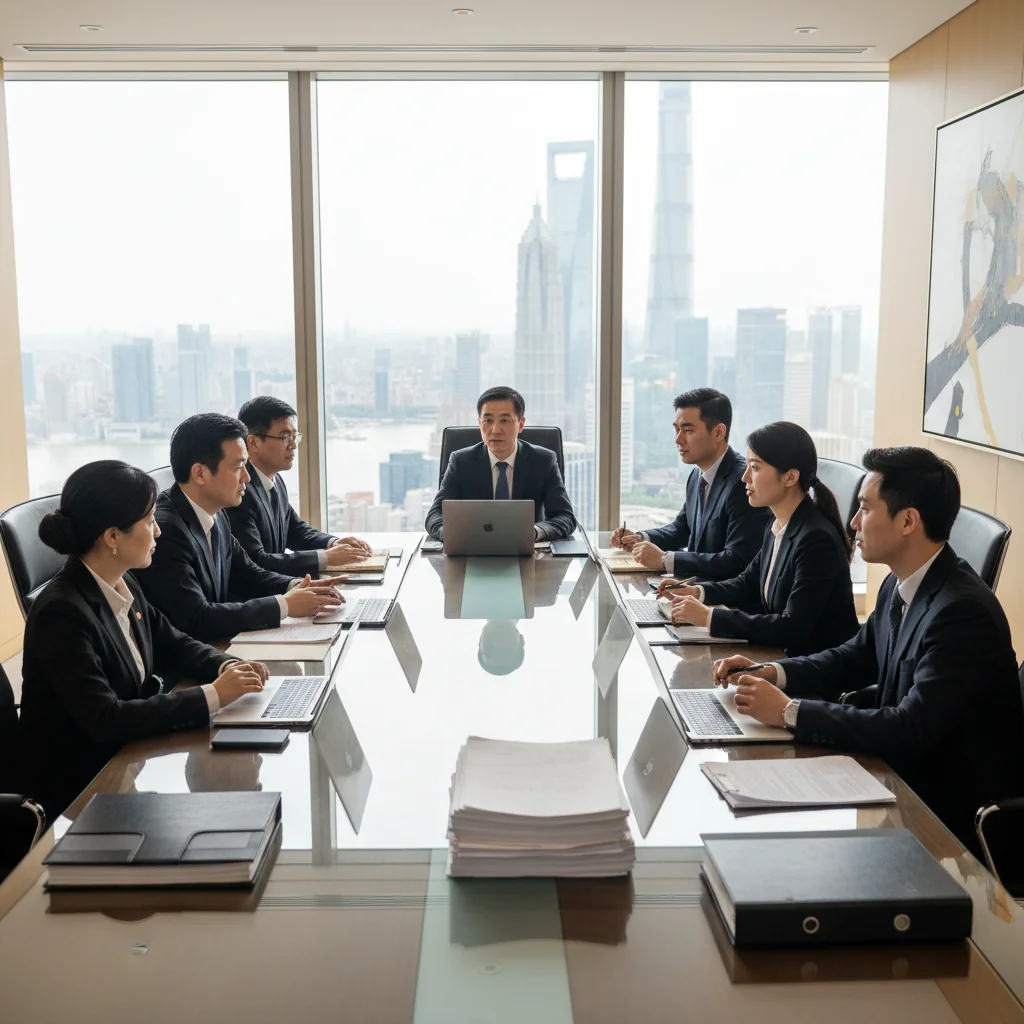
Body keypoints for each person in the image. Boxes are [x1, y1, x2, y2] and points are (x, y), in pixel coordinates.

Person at [715, 446, 1024, 853]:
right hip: (894, 777)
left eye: (864, 508)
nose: (853, 522)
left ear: (908, 521)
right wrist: (773, 673)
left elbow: (909, 728)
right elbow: (853, 656)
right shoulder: (899, 583)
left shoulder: (963, 613)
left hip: (946, 814)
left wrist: (790, 712)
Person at [17, 460, 271, 819]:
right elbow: (106, 718)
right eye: (150, 521)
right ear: (113, 537)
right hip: (80, 791)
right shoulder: (61, 613)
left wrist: (228, 665)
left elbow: (174, 643)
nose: (159, 531)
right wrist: (214, 695)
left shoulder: (123, 582)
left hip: (129, 759)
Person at [135, 413, 342, 643]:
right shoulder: (166, 531)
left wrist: (297, 587)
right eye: (238, 468)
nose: (247, 478)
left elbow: (247, 573)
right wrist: (285, 605)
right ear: (200, 473)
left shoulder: (216, 512)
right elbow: (196, 618)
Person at [660, 422, 857, 656]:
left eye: (755, 467)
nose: (745, 477)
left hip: (810, 668)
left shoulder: (816, 540)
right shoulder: (778, 523)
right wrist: (697, 592)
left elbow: (792, 627)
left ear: (790, 477)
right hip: (778, 655)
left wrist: (709, 617)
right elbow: (745, 583)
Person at [610, 388, 768, 579]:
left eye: (688, 430)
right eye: (677, 429)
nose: (678, 439)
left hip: (720, 592)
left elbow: (737, 560)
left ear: (718, 432)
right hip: (690, 588)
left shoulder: (743, 483)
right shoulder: (696, 475)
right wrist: (640, 538)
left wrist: (665, 560)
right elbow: (682, 528)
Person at [228, 395, 371, 576]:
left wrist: (334, 543)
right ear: (253, 443)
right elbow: (257, 561)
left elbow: (295, 530)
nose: (293, 446)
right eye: (285, 437)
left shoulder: (275, 481)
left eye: (295, 437)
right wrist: (326, 557)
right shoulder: (239, 491)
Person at [425, 386, 576, 542]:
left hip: (526, 549)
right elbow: (435, 515)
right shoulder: (461, 462)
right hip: (472, 547)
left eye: (504, 420)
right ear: (479, 423)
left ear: (521, 424)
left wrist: (536, 532)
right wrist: (452, 534)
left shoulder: (543, 461)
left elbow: (565, 517)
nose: (495, 430)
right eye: (488, 420)